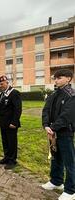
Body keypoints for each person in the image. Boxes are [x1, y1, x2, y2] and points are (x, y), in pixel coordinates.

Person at [41, 69, 75, 200]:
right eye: (54, 78)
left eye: (59, 78)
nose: (55, 80)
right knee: (55, 158)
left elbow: (67, 115)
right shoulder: (54, 94)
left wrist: (53, 127)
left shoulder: (71, 95)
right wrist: (46, 125)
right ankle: (56, 181)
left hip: (65, 133)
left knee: (69, 162)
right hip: (53, 133)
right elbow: (46, 110)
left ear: (68, 78)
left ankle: (71, 190)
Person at [0, 75, 22, 170]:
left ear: (7, 82)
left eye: (2, 83)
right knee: (5, 141)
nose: (1, 85)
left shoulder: (14, 93)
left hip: (11, 124)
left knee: (12, 142)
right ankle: (6, 157)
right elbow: (1, 106)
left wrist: (14, 122)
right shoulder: (2, 94)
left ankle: (12, 161)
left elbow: (18, 109)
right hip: (3, 123)